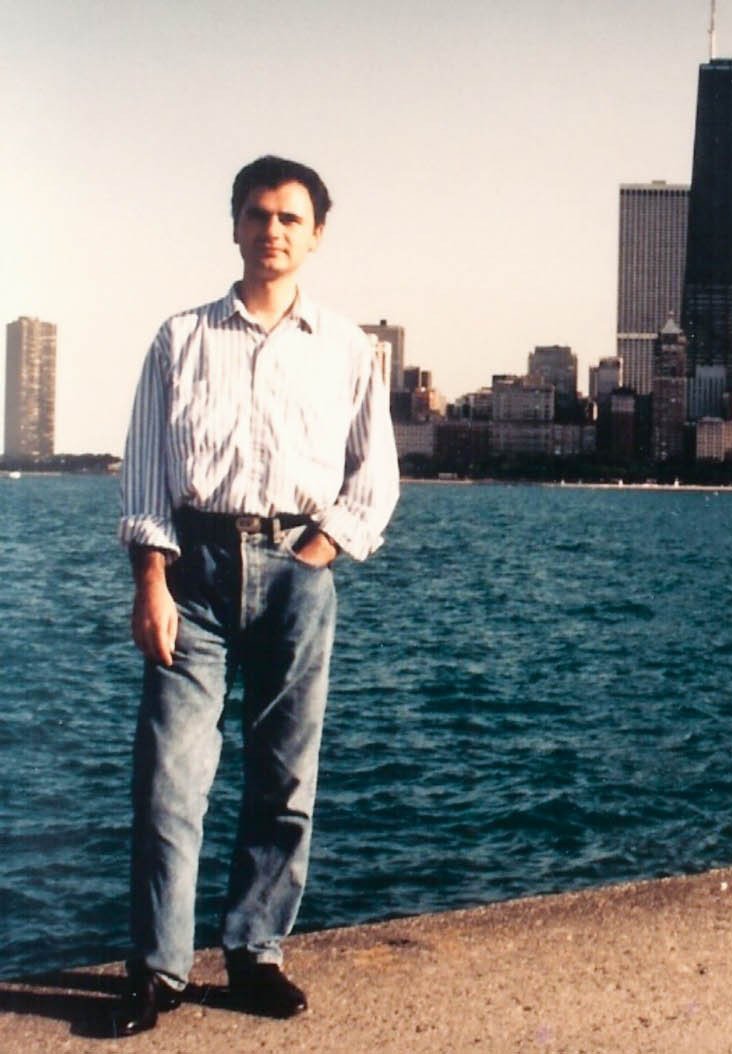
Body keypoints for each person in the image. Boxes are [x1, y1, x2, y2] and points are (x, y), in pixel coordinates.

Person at [114, 155, 399, 1037]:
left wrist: (316, 552)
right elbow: (145, 477)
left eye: (289, 217)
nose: (271, 230)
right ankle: (159, 970)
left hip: (297, 573)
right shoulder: (180, 338)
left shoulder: (350, 348)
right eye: (256, 214)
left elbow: (375, 475)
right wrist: (151, 583)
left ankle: (254, 954)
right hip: (192, 573)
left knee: (284, 778)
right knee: (170, 781)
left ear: (316, 234)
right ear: (233, 224)